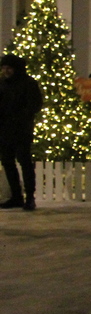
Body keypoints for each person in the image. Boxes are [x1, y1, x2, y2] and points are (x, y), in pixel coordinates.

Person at [0, 54, 44, 210]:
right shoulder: (2, 84)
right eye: (4, 68)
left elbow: (35, 104)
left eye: (9, 68)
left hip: (21, 130)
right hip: (5, 130)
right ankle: (16, 196)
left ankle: (30, 197)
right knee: (7, 162)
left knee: (24, 162)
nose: (6, 71)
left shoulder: (28, 83)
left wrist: (20, 116)